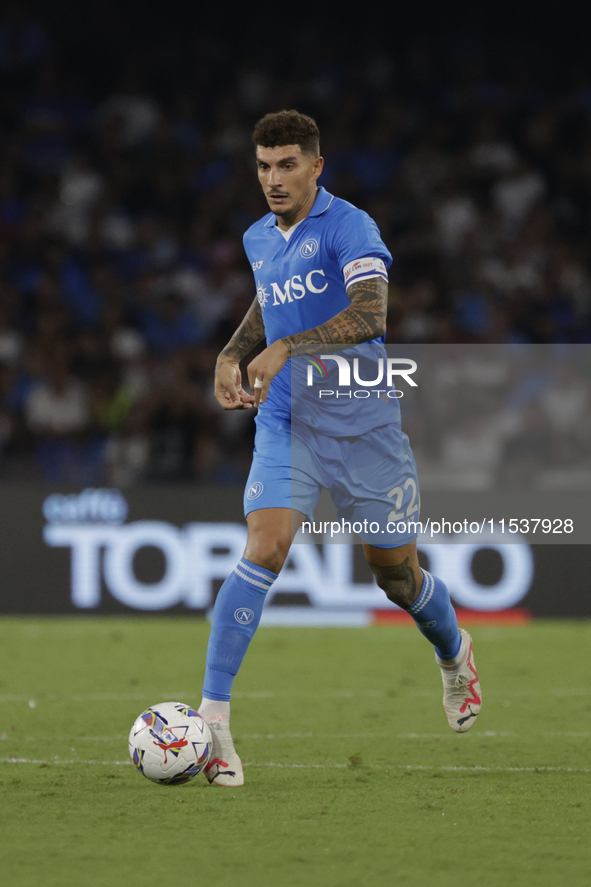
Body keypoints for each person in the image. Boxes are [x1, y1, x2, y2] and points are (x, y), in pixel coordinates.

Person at [199, 110, 481, 787]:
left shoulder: (351, 226)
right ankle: (212, 724)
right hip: (288, 421)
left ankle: (453, 652)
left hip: (363, 427)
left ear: (315, 166)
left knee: (395, 575)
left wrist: (288, 346)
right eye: (264, 166)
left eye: (287, 164)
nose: (273, 178)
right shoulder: (258, 236)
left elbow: (369, 313)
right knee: (264, 546)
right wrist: (232, 353)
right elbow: (272, 302)